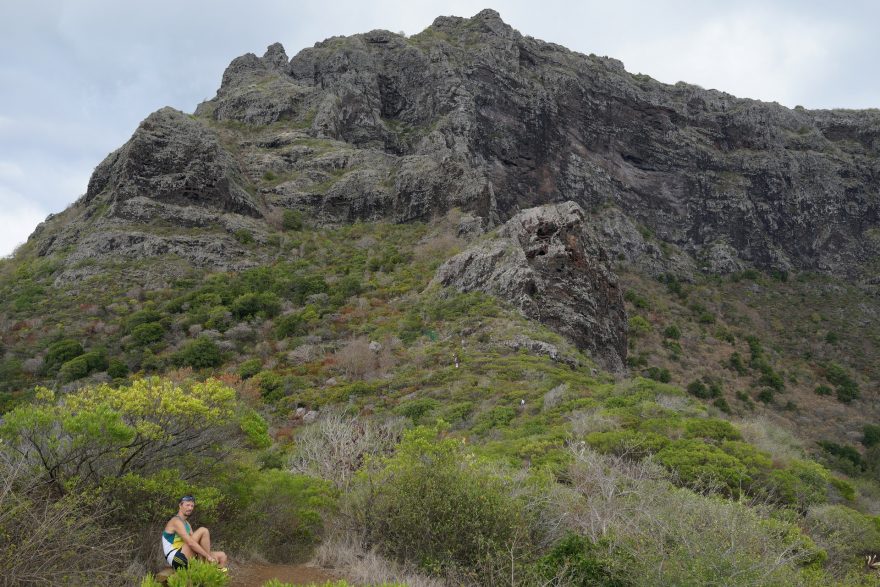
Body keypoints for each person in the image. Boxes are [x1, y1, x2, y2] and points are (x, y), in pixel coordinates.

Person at [161, 495, 228, 571]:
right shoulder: (175, 521)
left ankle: (212, 577)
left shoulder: (187, 524)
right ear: (180, 505)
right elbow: (191, 543)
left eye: (192, 506)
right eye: (187, 505)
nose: (190, 508)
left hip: (186, 554)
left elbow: (196, 543)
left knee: (222, 556)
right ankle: (205, 566)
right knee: (203, 530)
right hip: (176, 558)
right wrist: (208, 556)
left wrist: (210, 556)